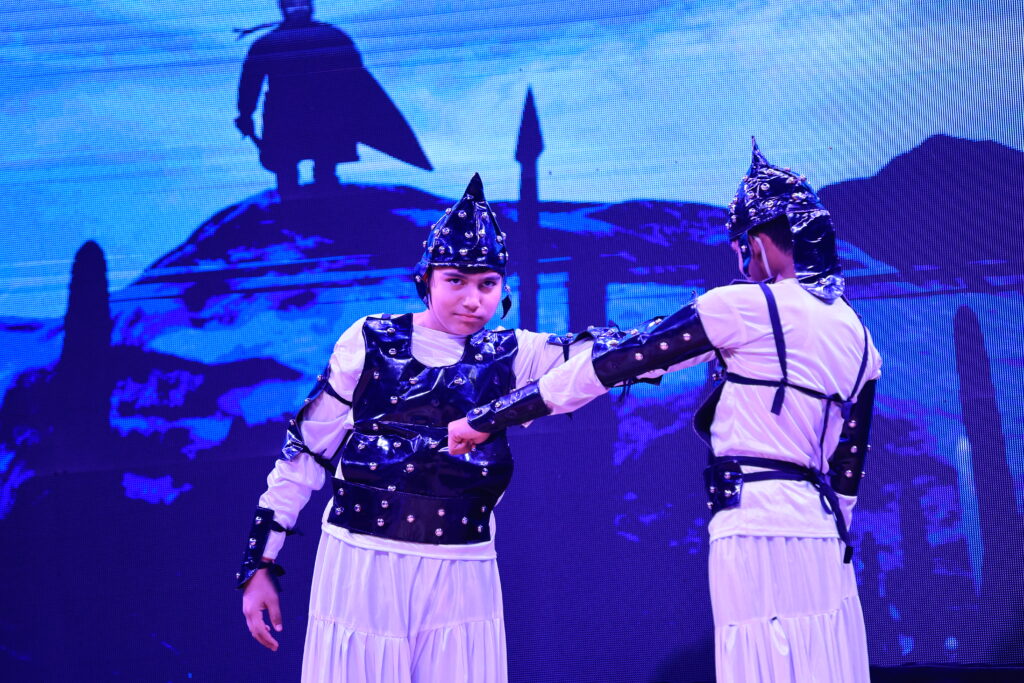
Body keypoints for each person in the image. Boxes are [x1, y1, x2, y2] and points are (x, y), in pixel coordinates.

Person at [448, 140, 882, 682]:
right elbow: (848, 468)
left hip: (757, 518)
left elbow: (613, 364)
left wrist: (488, 417)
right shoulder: (860, 336)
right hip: (823, 531)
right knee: (826, 663)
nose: (742, 262)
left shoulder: (742, 306)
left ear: (758, 243)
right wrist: (833, 532)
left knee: (759, 662)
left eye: (741, 248)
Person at [236, 174, 608, 683]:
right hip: (361, 564)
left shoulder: (514, 354)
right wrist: (259, 563)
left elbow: (616, 357)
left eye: (487, 284)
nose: (473, 299)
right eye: (455, 280)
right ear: (426, 279)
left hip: (461, 571)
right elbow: (305, 454)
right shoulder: (368, 341)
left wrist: (707, 327)